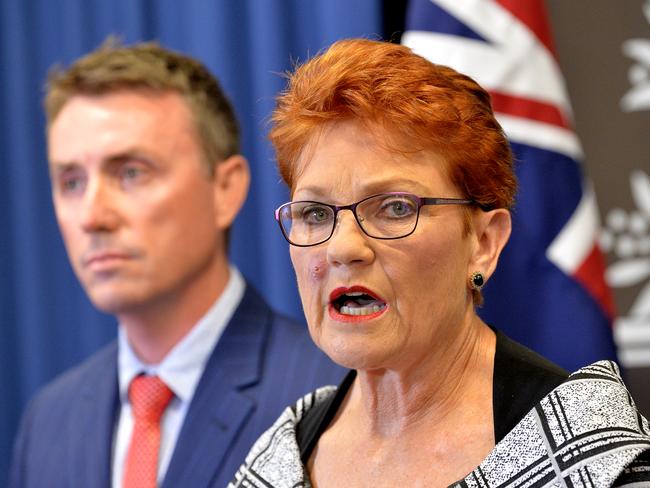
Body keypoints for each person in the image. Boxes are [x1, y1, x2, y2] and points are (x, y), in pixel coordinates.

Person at [229, 39, 650, 487]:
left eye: (394, 208)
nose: (343, 248)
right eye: (316, 213)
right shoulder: (278, 457)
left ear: (484, 243)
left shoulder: (593, 458)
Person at [9, 40, 344, 488]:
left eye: (130, 173)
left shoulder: (334, 391)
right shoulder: (48, 420)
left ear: (225, 189)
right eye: (71, 181)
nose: (91, 216)